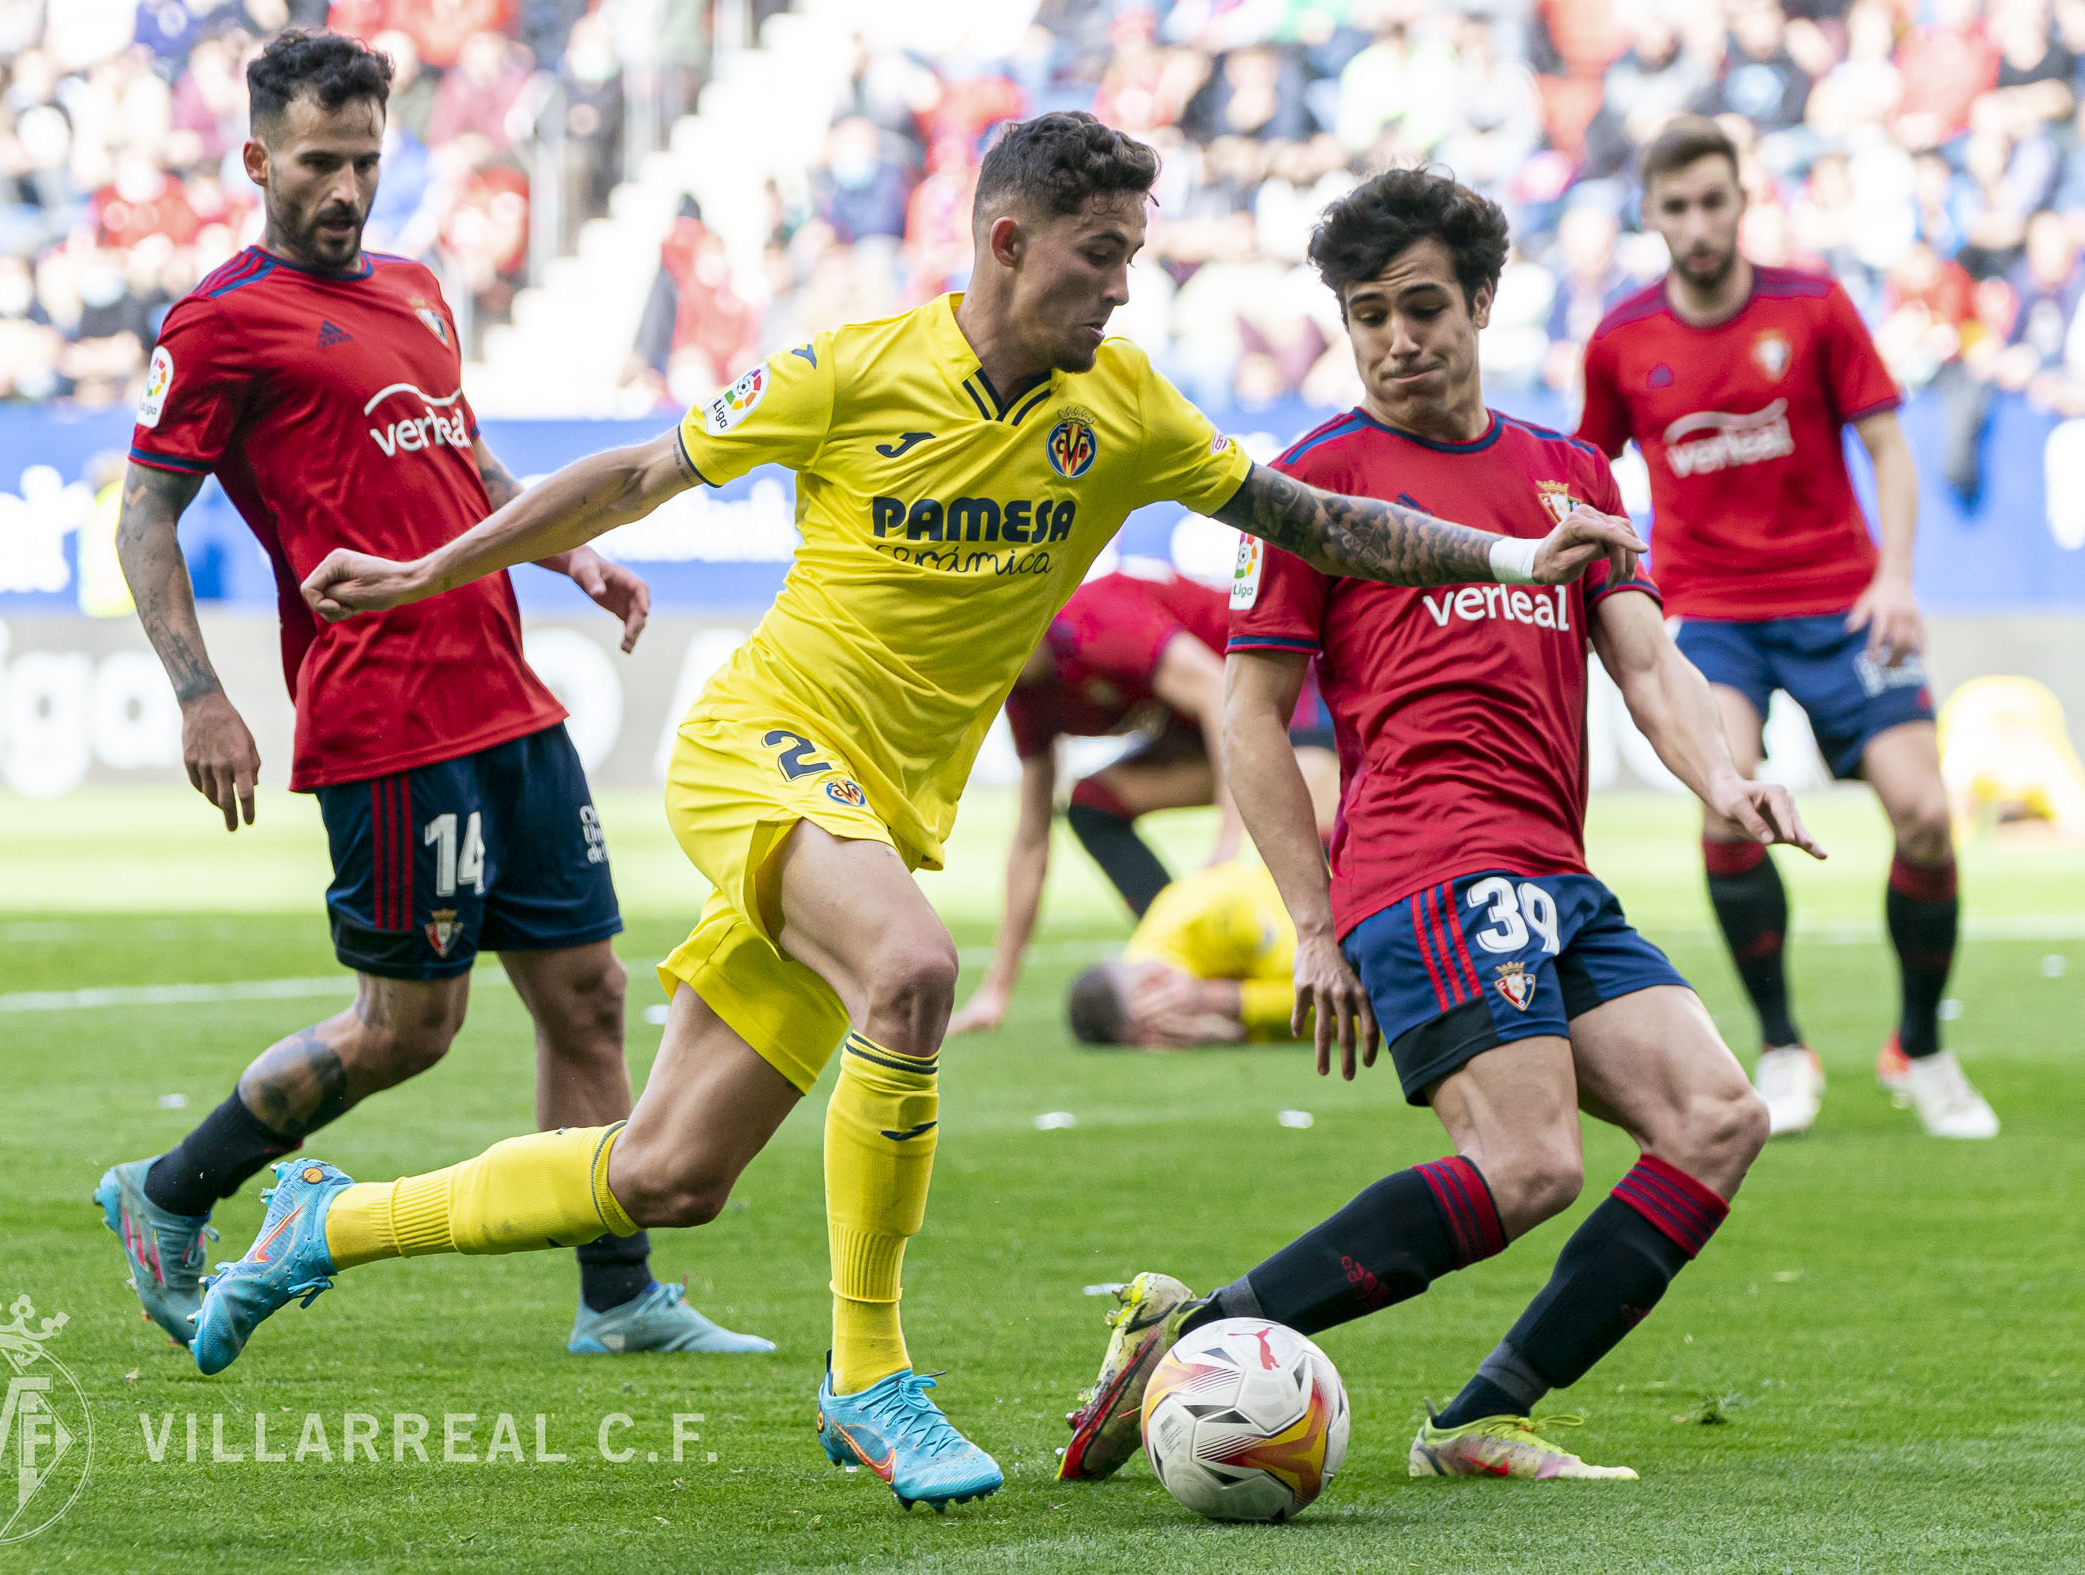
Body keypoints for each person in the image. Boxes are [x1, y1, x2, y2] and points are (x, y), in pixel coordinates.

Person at [185, 111, 1647, 1511]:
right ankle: (869, 1377)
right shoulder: (851, 370)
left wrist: (1510, 555)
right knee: (910, 968)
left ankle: (325, 1220)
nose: (1120, 287)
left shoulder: (1124, 408)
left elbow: (1317, 522)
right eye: (1098, 254)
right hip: (759, 748)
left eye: (1133, 255)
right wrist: (430, 569)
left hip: (872, 813)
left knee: (666, 1171)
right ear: (1006, 241)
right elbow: (632, 475)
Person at [1063, 166, 1811, 1489]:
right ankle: (1189, 1336)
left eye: (1421, 307)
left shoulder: (1569, 474)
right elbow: (1249, 717)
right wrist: (1311, 923)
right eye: (1368, 316)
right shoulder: (1313, 485)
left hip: (1554, 874)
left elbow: (1645, 661)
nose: (1397, 338)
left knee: (1716, 1116)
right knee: (1527, 1162)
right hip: (1428, 864)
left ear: (1479, 303)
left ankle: (1473, 1419)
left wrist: (1724, 778)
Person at [93, 30, 768, 1364]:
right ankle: (169, 1189)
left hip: (506, 692)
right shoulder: (219, 323)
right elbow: (144, 517)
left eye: (363, 159)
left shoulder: (414, 288)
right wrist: (200, 697)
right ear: (256, 160)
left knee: (587, 993)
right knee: (409, 1029)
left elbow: (461, 457)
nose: (345, 188)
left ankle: (618, 1293)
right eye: (317, 163)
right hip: (384, 714)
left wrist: (565, 549)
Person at [1576, 116, 2000, 1139]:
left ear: (1742, 200)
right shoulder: (1620, 340)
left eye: (1712, 201)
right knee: (1727, 806)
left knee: (1925, 816)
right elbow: (1584, 479)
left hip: (1841, 599)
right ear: (1651, 215)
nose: (1697, 224)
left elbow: (1889, 447)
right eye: (1676, 207)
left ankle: (1919, 1047)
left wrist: (1896, 576)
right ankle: (1779, 1045)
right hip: (1712, 611)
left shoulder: (1812, 308)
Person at [948, 566, 1340, 1036]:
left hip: (1285, 684)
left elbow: (1217, 691)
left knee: (1313, 844)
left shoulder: (1092, 619)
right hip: (1211, 733)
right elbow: (1031, 841)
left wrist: (1228, 845)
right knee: (1092, 804)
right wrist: (996, 989)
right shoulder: (1024, 693)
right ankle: (1188, 963)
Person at [1064, 859, 1301, 1048]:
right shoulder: (1147, 952)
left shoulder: (1214, 918)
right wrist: (1235, 1032)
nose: (1163, 1041)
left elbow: (1322, 997)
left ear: (1151, 984)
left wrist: (1224, 999)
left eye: (1158, 1028)